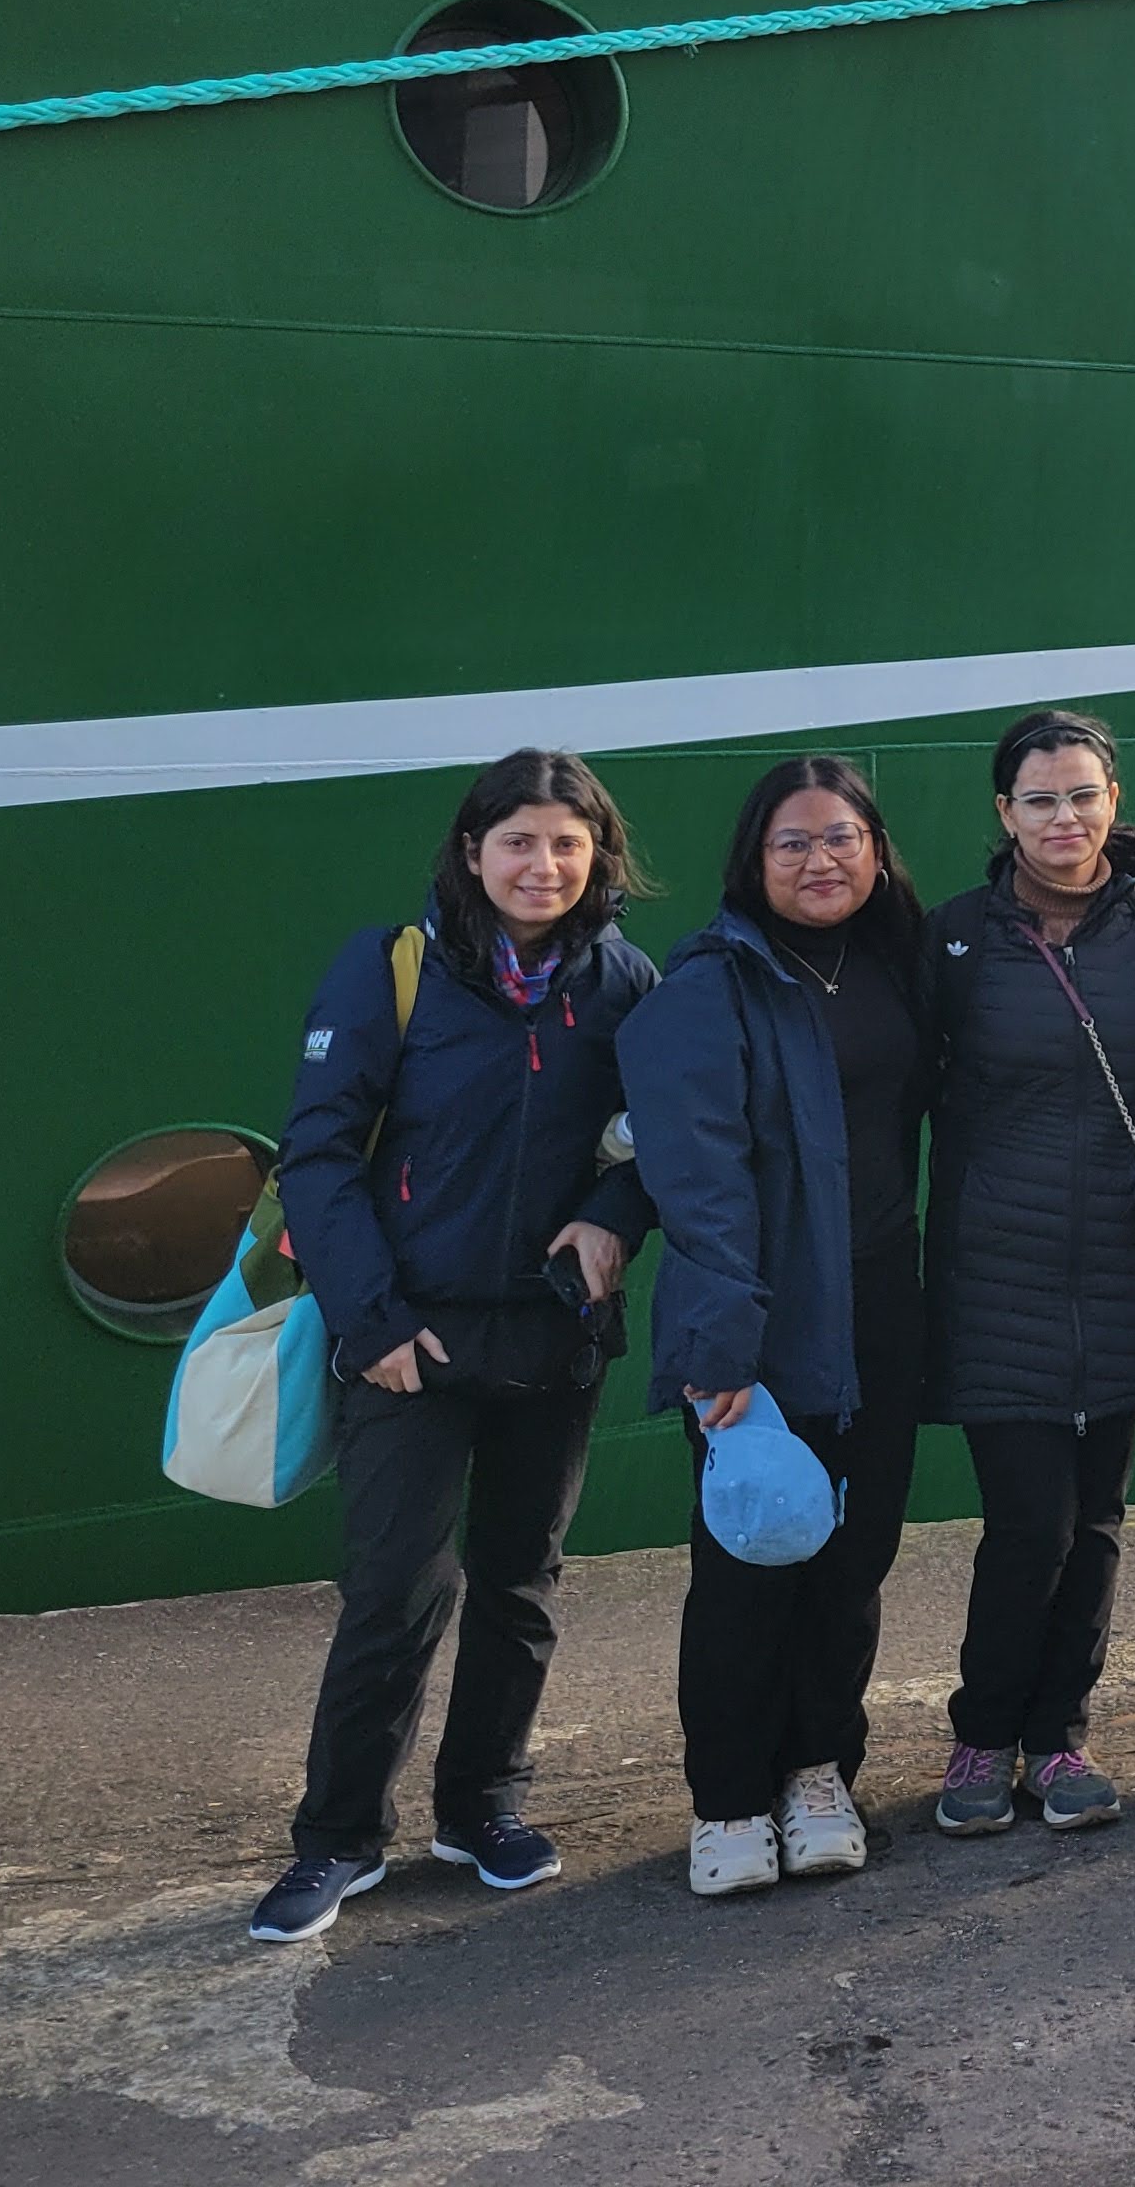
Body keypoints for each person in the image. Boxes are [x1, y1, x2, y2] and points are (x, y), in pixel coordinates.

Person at [249, 750, 658, 1944]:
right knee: (393, 1592)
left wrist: (615, 1220)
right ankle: (335, 1840)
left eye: (566, 844)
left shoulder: (624, 982)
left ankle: (482, 1806)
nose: (544, 866)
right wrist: (370, 1321)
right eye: (519, 842)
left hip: (551, 1332)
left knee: (521, 1583)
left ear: (598, 858)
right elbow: (317, 1155)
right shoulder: (393, 971)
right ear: (473, 851)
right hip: (407, 1338)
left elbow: (657, 1145)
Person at [621, 758, 934, 1897]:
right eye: (793, 842)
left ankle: (818, 1774)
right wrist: (719, 1348)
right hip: (759, 1319)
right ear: (753, 861)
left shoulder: (894, 962)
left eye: (843, 837)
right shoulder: (712, 987)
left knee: (852, 1563)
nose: (822, 860)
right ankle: (727, 1802)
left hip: (882, 1309)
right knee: (750, 1561)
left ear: (875, 848)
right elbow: (696, 1185)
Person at [922, 708, 1135, 1840]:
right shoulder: (953, 940)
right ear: (1005, 813)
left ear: (1113, 802)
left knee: (1096, 1521)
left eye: (1084, 796)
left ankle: (1060, 1738)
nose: (1065, 818)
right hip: (1000, 1272)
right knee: (1028, 1522)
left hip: (1123, 1266)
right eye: (1040, 799)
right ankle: (984, 1734)